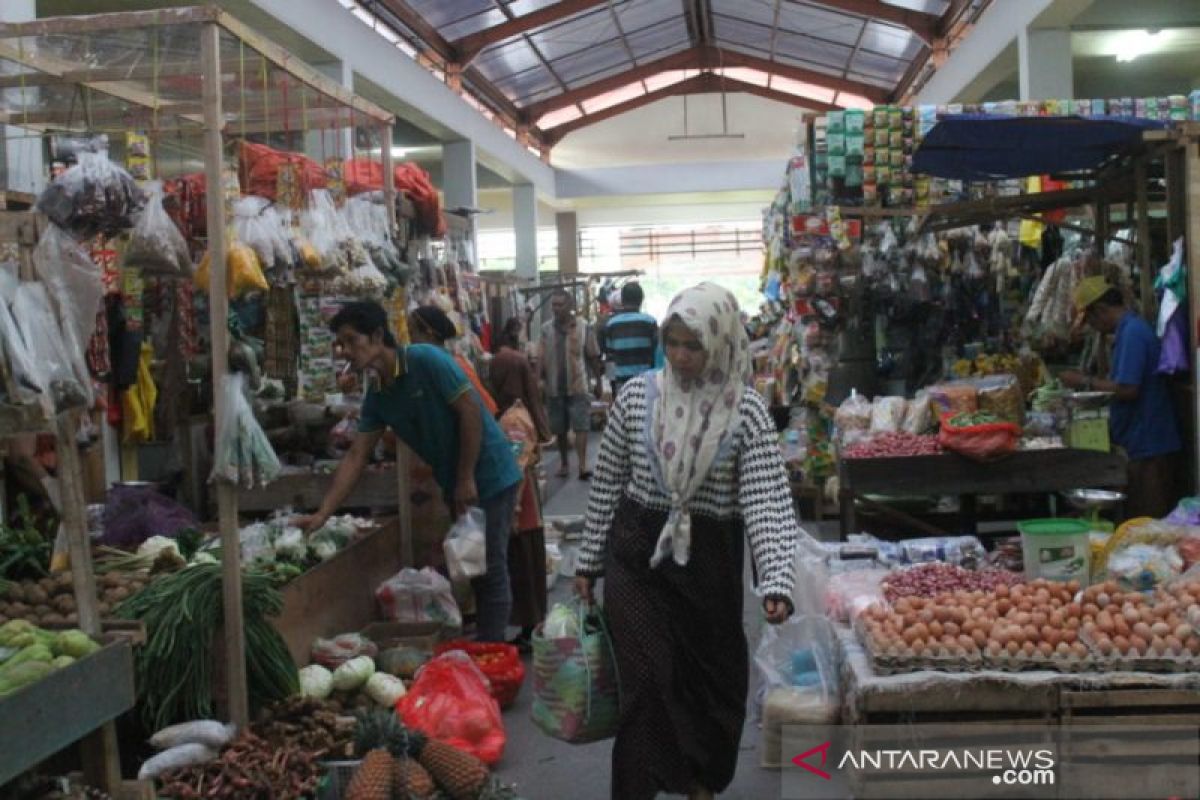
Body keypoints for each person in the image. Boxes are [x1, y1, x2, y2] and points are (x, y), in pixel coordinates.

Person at [574, 283, 798, 800]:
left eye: (692, 346)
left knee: (708, 683)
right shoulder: (636, 399)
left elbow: (766, 502)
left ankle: (698, 779)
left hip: (709, 563)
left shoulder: (746, 414)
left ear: (719, 343)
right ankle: (637, 788)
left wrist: (776, 579)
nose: (679, 356)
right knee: (647, 683)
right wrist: (588, 563)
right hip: (638, 557)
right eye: (671, 343)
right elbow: (607, 483)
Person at [300, 301, 521, 642]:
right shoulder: (378, 394)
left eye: (349, 340)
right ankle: (487, 648)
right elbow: (357, 455)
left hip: (489, 472)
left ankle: (492, 655)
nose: (344, 351)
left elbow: (471, 413)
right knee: (473, 565)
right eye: (339, 344)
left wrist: (465, 478)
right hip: (457, 481)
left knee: (490, 569)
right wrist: (322, 514)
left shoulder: (425, 359)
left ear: (376, 336)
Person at [1061, 276, 1182, 518]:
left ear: (1102, 310)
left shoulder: (1133, 333)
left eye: (1091, 320)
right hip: (1139, 441)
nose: (1092, 327)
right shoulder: (1127, 331)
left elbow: (1128, 389)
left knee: (1148, 522)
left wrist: (1084, 382)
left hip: (1148, 444)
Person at [490, 317, 552, 650]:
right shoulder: (518, 411)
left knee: (523, 568)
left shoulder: (512, 419)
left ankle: (528, 631)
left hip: (521, 506)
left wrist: (511, 512)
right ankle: (529, 628)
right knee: (526, 567)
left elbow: (514, 468)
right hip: (526, 504)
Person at [538, 289, 602, 480]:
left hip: (578, 386)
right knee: (559, 429)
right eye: (553, 305)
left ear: (570, 306)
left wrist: (598, 382)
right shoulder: (546, 329)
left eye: (560, 305)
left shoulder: (583, 327)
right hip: (554, 387)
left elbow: (592, 356)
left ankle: (582, 465)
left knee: (581, 426)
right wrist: (538, 380)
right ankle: (565, 462)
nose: (556, 309)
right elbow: (540, 357)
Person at [409, 304, 499, 416]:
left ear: (429, 334)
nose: (410, 341)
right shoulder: (446, 361)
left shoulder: (449, 365)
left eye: (412, 333)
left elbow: (474, 411)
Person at [599, 281, 659, 397]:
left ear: (622, 300)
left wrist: (613, 386)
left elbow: (610, 357)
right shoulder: (650, 322)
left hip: (621, 382)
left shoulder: (611, 324)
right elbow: (655, 354)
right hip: (645, 381)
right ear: (641, 299)